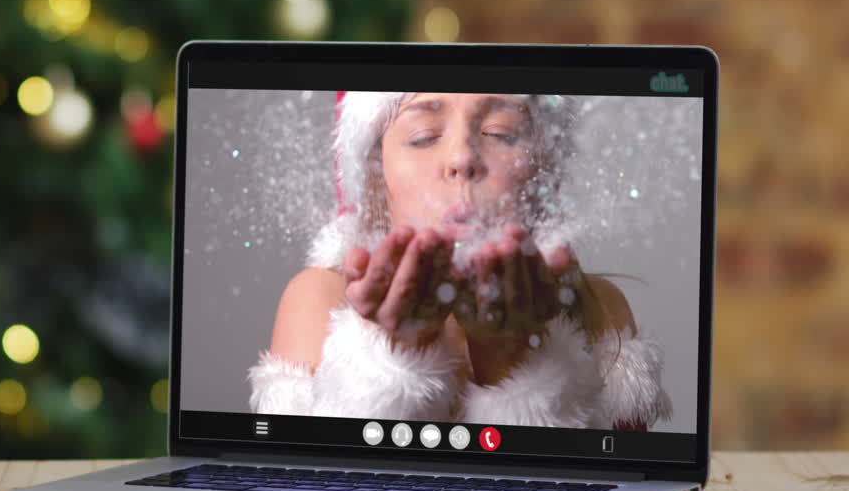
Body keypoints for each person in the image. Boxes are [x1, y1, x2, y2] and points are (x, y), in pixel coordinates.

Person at [247, 91, 672, 430]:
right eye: (423, 135)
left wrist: (515, 359)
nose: (462, 159)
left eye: (502, 132)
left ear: (542, 172)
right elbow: (319, 490)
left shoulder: (597, 307)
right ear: (375, 178)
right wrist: (392, 357)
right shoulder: (321, 301)